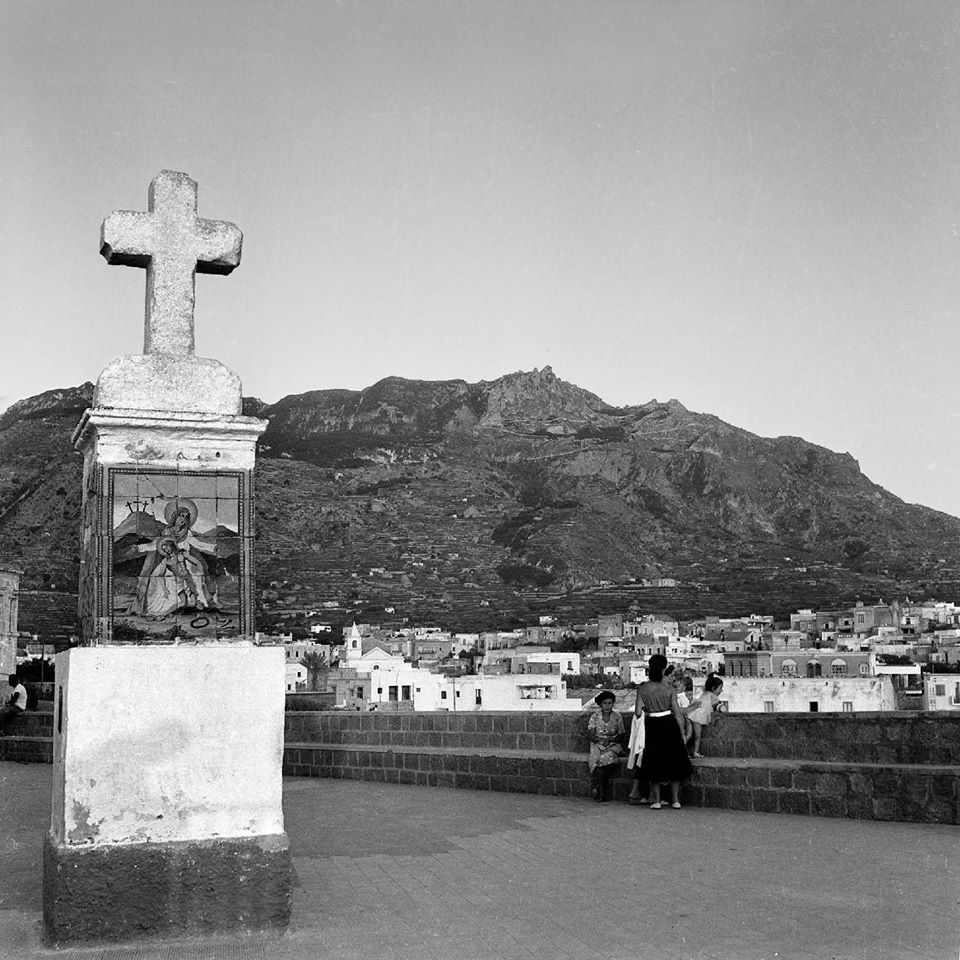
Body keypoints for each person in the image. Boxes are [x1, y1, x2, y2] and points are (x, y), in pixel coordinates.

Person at [633, 654, 691, 809]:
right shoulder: (669, 689)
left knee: (653, 761)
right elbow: (678, 713)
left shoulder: (643, 688)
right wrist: (683, 733)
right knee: (675, 761)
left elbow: (638, 712)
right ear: (664, 669)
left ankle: (657, 800)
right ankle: (675, 799)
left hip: (651, 725)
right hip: (669, 724)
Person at [586, 690, 625, 802]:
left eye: (610, 703)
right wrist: (601, 741)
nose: (607, 706)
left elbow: (621, 734)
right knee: (598, 762)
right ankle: (602, 791)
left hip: (612, 744)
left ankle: (599, 788)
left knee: (609, 759)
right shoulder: (595, 717)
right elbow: (590, 734)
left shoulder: (617, 717)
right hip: (598, 744)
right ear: (600, 704)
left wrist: (611, 740)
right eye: (605, 703)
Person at [684, 674, 725, 758]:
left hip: (691, 714)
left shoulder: (705, 694)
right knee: (698, 735)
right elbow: (718, 706)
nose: (721, 690)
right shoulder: (712, 696)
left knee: (688, 735)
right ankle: (696, 752)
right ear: (714, 688)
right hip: (698, 717)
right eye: (720, 688)